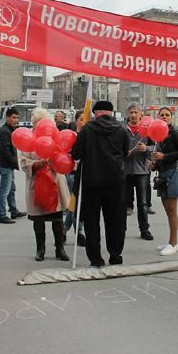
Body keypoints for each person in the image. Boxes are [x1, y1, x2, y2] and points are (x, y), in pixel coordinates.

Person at [70, 101, 129, 267]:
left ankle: (96, 258)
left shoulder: (87, 129)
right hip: (115, 181)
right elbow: (125, 153)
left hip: (92, 181)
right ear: (111, 113)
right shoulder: (121, 129)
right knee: (116, 220)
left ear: (96, 113)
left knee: (92, 222)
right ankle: (115, 255)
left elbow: (76, 154)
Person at [22, 108, 71, 262]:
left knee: (57, 219)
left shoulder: (56, 137)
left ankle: (59, 248)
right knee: (38, 219)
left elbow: (65, 156)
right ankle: (40, 248)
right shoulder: (28, 139)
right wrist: (37, 163)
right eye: (37, 124)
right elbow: (23, 161)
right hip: (36, 183)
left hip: (55, 183)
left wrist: (56, 162)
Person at [151, 107, 178, 256]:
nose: (164, 117)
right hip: (162, 174)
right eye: (162, 115)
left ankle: (173, 243)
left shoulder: (175, 133)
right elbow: (158, 156)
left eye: (167, 115)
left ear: (171, 117)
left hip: (172, 173)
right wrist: (154, 165)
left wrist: (164, 157)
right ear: (158, 117)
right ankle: (171, 242)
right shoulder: (158, 134)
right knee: (167, 210)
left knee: (172, 210)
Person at [124, 103, 154, 241]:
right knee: (123, 202)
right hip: (125, 171)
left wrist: (146, 149)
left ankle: (144, 229)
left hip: (142, 171)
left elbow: (155, 146)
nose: (134, 115)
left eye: (136, 112)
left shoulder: (147, 130)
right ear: (128, 114)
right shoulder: (122, 129)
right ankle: (121, 229)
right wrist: (122, 152)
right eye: (131, 112)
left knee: (142, 203)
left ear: (141, 113)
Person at [0, 108, 26, 223]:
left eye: (17, 118)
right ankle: (1, 214)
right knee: (5, 190)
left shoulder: (10, 130)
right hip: (5, 165)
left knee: (11, 189)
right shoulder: (5, 131)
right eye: (13, 117)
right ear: (7, 118)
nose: (16, 120)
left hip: (9, 165)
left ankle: (13, 210)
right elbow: (5, 150)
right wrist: (14, 161)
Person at [65, 110, 86, 247]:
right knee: (76, 203)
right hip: (73, 173)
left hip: (87, 174)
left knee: (78, 204)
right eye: (81, 119)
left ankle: (64, 229)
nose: (84, 122)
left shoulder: (90, 136)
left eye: (86, 119)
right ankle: (79, 232)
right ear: (76, 121)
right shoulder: (72, 137)